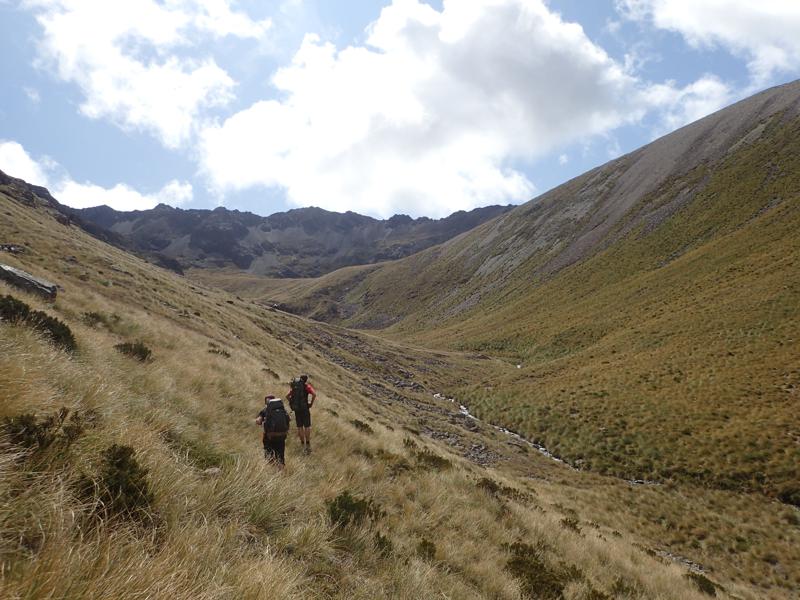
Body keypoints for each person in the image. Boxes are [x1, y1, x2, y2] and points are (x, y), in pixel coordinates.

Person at [255, 394, 290, 469]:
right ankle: (281, 474)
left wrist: (262, 422)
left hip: (269, 437)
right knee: (280, 457)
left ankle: (272, 472)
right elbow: (288, 419)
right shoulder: (283, 410)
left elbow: (258, 421)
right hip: (281, 436)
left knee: (269, 456)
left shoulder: (265, 410)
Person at [287, 374, 316, 454]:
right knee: (307, 426)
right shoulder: (306, 386)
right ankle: (308, 443)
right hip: (305, 409)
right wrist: (311, 403)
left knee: (299, 427)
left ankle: (302, 443)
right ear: (306, 380)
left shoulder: (295, 387)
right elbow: (314, 394)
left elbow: (287, 396)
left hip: (297, 410)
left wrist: (291, 402)